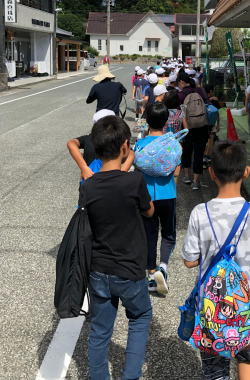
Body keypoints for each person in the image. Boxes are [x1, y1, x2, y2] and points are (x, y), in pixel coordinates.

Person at [182, 141, 250, 380]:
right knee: (247, 357)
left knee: (214, 368)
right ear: (246, 172)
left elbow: (190, 261)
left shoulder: (200, 213)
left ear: (212, 173)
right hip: (247, 306)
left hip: (211, 306)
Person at [82, 115, 154, 380]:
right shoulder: (134, 182)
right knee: (140, 316)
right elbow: (149, 211)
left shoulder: (88, 186)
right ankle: (130, 376)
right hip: (130, 270)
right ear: (125, 146)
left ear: (95, 146)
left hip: (98, 270)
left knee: (100, 331)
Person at [136, 103, 180, 295]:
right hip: (167, 194)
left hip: (146, 196)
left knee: (149, 233)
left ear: (146, 120)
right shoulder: (173, 144)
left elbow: (137, 170)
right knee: (168, 234)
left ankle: (151, 274)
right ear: (166, 122)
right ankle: (163, 267)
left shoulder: (140, 145)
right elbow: (176, 172)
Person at [178, 74, 209, 190]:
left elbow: (179, 114)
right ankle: (195, 181)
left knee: (187, 151)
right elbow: (208, 106)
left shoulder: (181, 95)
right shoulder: (201, 91)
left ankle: (186, 176)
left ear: (182, 82)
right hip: (202, 126)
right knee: (199, 153)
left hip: (187, 127)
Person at [67, 109, 115, 181]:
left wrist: (83, 167)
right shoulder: (116, 140)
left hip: (89, 179)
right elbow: (131, 153)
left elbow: (71, 143)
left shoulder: (88, 138)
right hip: (111, 179)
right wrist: (123, 171)